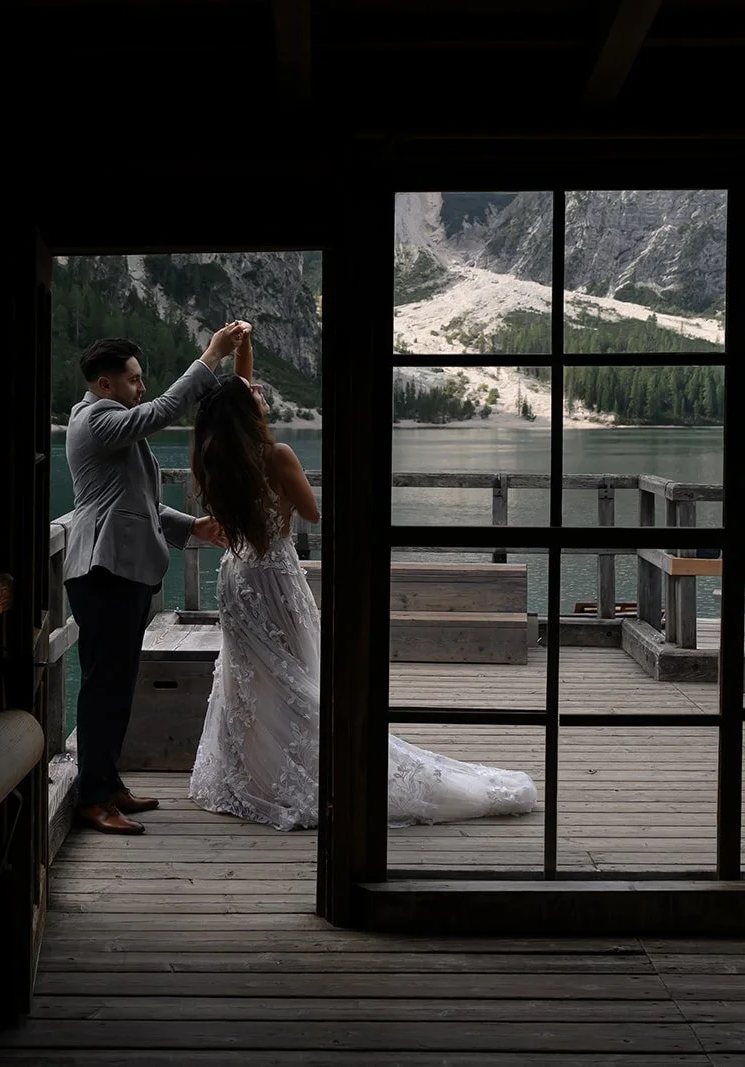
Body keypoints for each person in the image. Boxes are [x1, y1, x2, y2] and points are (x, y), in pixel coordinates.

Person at [186, 329, 537, 830]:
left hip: (237, 576)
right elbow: (311, 512)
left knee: (252, 675)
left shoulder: (215, 457)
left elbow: (237, 390)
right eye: (257, 394)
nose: (261, 393)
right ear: (249, 413)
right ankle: (306, 768)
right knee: (298, 671)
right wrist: (288, 491)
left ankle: (253, 774)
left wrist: (241, 348)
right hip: (275, 575)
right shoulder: (277, 455)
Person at [63, 322, 248, 834]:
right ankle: (93, 798)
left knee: (118, 683)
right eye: (134, 379)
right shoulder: (98, 420)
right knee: (104, 686)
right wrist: (210, 356)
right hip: (104, 570)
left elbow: (135, 503)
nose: (141, 387)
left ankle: (107, 782)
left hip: (118, 568)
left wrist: (193, 526)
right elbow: (164, 412)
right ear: (106, 384)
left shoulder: (106, 418)